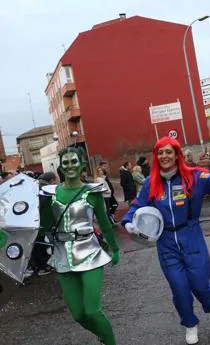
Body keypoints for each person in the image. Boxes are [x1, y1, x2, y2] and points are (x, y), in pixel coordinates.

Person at [122, 137, 210, 344]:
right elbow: (137, 205)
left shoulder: (193, 177)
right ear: (156, 157)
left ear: (177, 154)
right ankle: (190, 323)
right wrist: (128, 221)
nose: (164, 156)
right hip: (166, 242)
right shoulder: (150, 183)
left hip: (191, 235)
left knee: (200, 283)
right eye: (160, 153)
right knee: (179, 288)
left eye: (168, 152)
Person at [39, 147, 120, 345]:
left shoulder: (92, 192)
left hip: (89, 253)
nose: (70, 166)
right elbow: (44, 227)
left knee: (92, 309)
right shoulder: (51, 193)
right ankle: (102, 333)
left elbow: (104, 222)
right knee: (78, 315)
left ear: (82, 165)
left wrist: (114, 248)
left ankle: (110, 341)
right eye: (65, 163)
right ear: (60, 167)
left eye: (73, 162)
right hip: (62, 255)